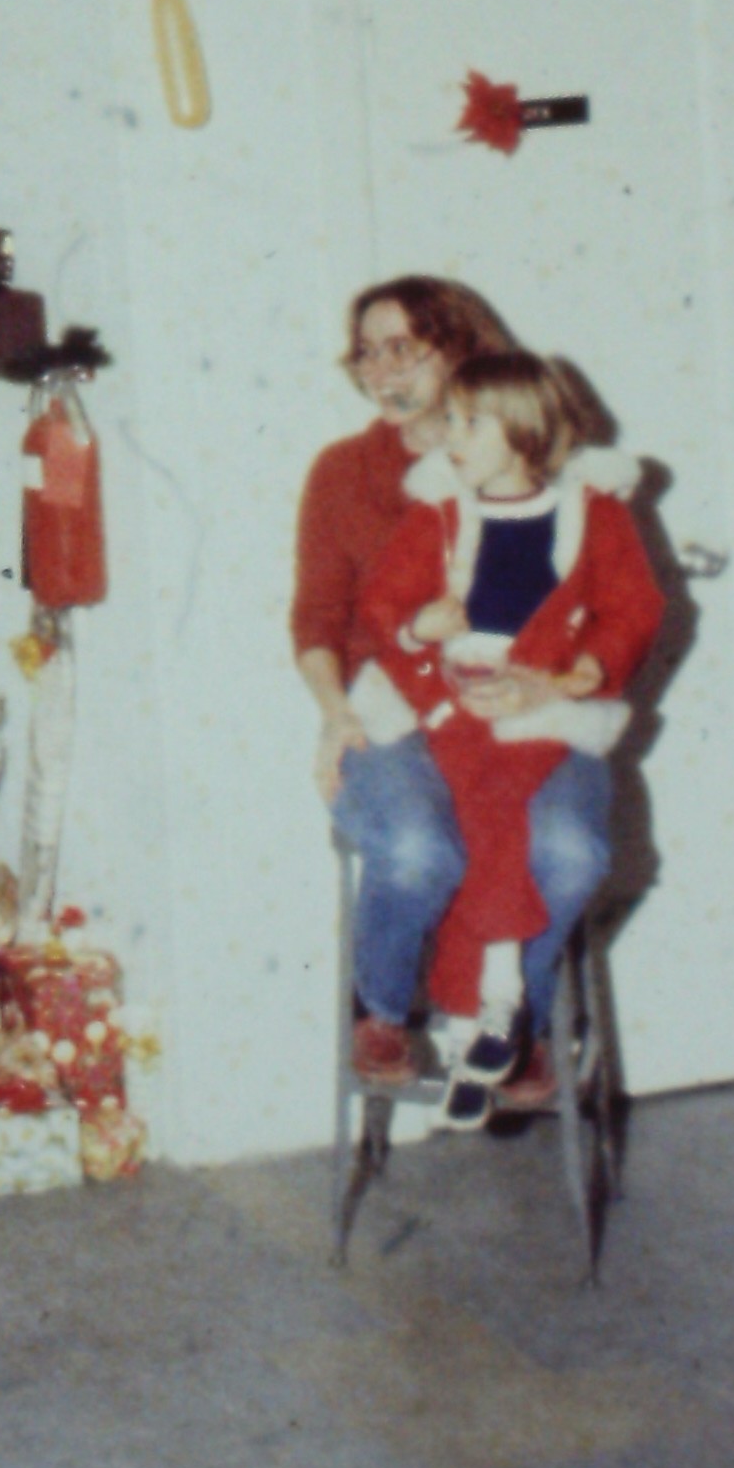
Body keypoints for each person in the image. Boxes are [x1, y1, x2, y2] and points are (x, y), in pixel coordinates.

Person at [291, 276, 600, 1110]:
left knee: (569, 852)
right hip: (394, 712)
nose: (380, 371)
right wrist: (334, 715)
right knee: (418, 851)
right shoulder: (344, 472)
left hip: (524, 713)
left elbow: (608, 614)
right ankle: (382, 1008)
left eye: (401, 348)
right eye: (365, 353)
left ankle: (513, 1021)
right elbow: (317, 618)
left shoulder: (538, 465)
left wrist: (558, 682)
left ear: (462, 348)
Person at [352, 353, 662, 1127]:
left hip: (542, 709)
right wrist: (419, 628)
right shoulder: (437, 511)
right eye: (448, 422)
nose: (447, 437)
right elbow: (382, 604)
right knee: (480, 826)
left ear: (523, 432)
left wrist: (573, 676)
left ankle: (489, 1015)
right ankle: (490, 1014)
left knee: (534, 838)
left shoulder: (591, 511)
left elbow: (632, 609)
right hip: (448, 699)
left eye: (467, 423)